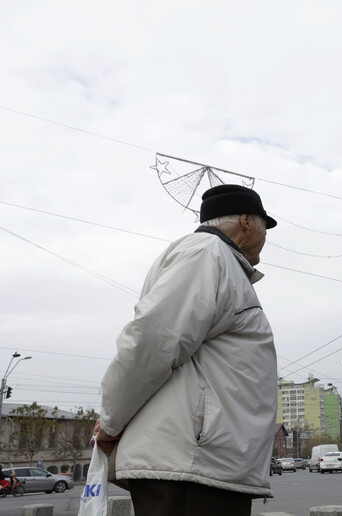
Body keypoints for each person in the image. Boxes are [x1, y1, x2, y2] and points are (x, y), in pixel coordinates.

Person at [95, 184, 279, 515]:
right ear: (247, 222)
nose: (267, 235)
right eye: (266, 225)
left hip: (201, 463)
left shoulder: (215, 259)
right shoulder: (206, 254)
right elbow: (152, 341)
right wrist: (111, 421)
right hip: (191, 468)